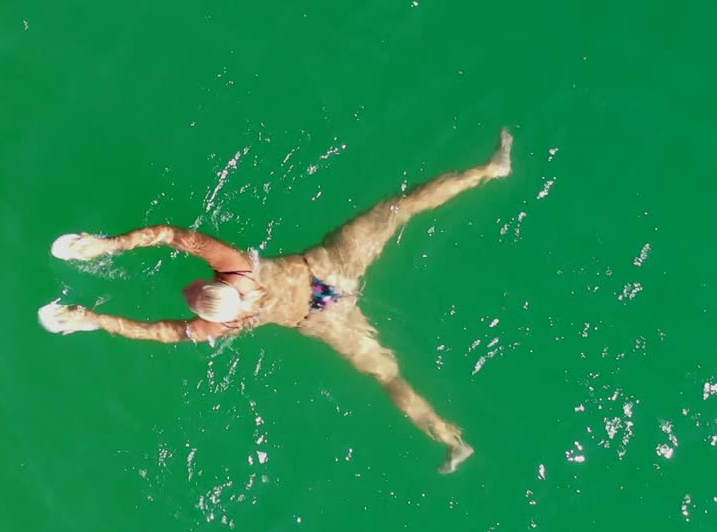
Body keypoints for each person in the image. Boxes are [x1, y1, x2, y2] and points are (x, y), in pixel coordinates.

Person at [39, 129, 514, 473]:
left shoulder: (222, 325)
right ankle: (492, 169)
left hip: (323, 315)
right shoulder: (237, 268)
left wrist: (94, 317)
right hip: (330, 270)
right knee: (399, 208)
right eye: (194, 295)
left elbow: (159, 331)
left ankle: (452, 442)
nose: (187, 292)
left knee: (388, 375)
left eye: (192, 297)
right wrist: (107, 252)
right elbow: (169, 235)